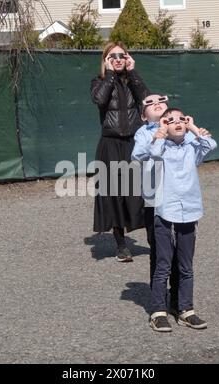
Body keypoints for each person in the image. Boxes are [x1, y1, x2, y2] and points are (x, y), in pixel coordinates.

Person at [148, 107, 217, 332]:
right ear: (164, 125)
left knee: (186, 266)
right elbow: (154, 154)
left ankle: (186, 310)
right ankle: (158, 312)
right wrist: (160, 133)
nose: (177, 122)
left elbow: (211, 145)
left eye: (181, 119)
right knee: (163, 265)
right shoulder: (161, 146)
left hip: (189, 210)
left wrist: (194, 129)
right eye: (171, 120)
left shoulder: (191, 147)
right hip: (165, 211)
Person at [91, 42, 150, 262]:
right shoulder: (99, 81)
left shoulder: (132, 81)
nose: (118, 59)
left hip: (134, 143)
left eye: (122, 55)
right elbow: (100, 100)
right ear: (106, 59)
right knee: (114, 194)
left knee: (140, 192)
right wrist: (110, 76)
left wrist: (132, 71)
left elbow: (148, 101)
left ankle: (154, 239)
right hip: (110, 145)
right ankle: (121, 245)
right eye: (112, 55)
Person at [131, 95, 180, 314]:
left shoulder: (180, 127)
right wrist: (157, 136)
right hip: (155, 199)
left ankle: (179, 300)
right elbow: (137, 155)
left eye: (161, 100)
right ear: (143, 116)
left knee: (181, 249)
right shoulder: (144, 133)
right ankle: (158, 301)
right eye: (149, 103)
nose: (156, 103)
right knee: (159, 251)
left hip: (179, 198)